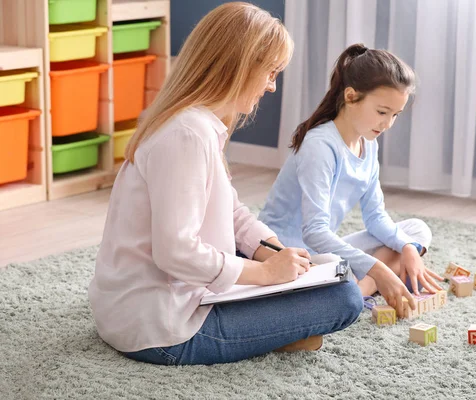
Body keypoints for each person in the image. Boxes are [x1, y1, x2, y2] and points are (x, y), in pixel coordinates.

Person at [87, 2, 364, 366]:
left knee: (321, 267)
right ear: (240, 66)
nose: (272, 86)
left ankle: (266, 325)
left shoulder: (195, 123)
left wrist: (274, 251)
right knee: (345, 296)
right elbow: (175, 252)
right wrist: (265, 273)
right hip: (164, 328)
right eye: (270, 73)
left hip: (142, 308)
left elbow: (232, 214)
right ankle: (263, 334)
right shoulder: (188, 134)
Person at [258, 43, 444, 312]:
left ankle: (359, 290)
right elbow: (315, 232)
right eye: (382, 112)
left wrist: (407, 248)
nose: (387, 124)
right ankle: (366, 286)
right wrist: (379, 269)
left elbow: (376, 217)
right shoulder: (319, 146)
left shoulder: (369, 143)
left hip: (321, 252)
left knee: (416, 231)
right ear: (351, 96)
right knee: (371, 262)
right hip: (288, 256)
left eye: (395, 115)